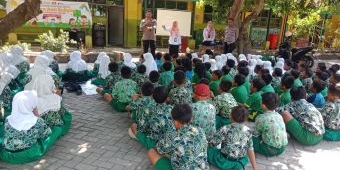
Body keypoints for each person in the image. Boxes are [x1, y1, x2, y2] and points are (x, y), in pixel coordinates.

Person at [147, 103, 208, 170]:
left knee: (151, 152)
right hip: (202, 167)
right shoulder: (201, 130)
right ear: (191, 119)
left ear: (175, 122)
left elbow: (160, 149)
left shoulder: (174, 136)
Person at [208, 106, 257, 170]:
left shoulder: (225, 129)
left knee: (209, 150)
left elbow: (212, 143)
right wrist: (255, 168)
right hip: (240, 162)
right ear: (245, 119)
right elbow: (250, 149)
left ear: (230, 116)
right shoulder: (248, 131)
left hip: (225, 162)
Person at [130, 86, 174, 150]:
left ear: (152, 96)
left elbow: (141, 127)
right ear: (167, 98)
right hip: (168, 140)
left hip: (153, 141)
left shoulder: (147, 108)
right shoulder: (172, 109)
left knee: (133, 126)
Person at [253, 92, 288, 157]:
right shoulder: (279, 115)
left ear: (263, 105)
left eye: (261, 100)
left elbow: (256, 133)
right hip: (282, 148)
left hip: (269, 150)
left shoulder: (261, 117)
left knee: (250, 137)